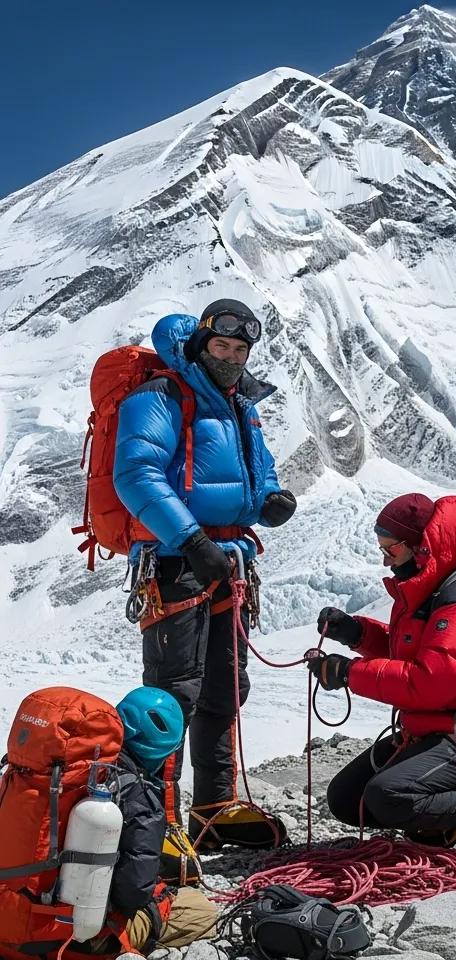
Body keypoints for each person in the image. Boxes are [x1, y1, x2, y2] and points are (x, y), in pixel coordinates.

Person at [113, 299, 295, 857]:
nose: (232, 357)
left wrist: (270, 500)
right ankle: (157, 820)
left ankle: (211, 808)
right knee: (174, 690)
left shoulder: (241, 405)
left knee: (225, 685)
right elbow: (136, 474)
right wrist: (191, 542)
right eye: (222, 346)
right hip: (176, 562)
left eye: (241, 349)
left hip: (230, 558)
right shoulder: (161, 398)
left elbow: (257, 469)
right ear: (200, 346)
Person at [307, 493, 456, 868]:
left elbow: (428, 682)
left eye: (392, 549)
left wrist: (348, 673)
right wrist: (356, 634)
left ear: (421, 546)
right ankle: (446, 819)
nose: (386, 559)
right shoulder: (431, 588)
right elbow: (415, 650)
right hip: (436, 730)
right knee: (348, 800)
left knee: (390, 797)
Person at [103, 688, 218, 955]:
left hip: (13, 919)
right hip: (74, 935)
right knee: (202, 910)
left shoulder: (70, 767)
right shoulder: (138, 795)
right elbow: (133, 896)